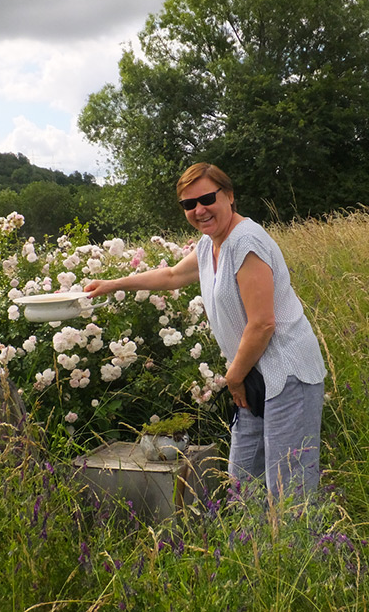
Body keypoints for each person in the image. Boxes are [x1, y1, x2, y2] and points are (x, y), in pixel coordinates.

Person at [84, 163, 326, 498]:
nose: (199, 210)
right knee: (243, 481)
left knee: (289, 489)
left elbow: (262, 323)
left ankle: (296, 535)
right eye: (189, 204)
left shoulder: (246, 241)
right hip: (252, 374)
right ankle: (253, 534)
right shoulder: (209, 244)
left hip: (287, 374)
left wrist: (233, 377)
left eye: (207, 199)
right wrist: (112, 284)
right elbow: (172, 276)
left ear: (229, 196)